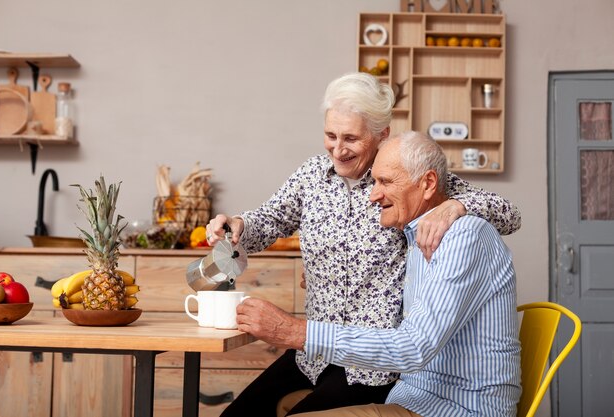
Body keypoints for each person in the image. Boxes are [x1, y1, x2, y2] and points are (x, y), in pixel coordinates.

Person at [206, 72, 521, 416]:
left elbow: (506, 213)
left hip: (372, 364)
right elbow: (271, 218)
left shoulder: (402, 176)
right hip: (312, 350)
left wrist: (456, 205)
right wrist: (238, 225)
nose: (337, 149)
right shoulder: (313, 176)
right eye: (330, 135)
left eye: (351, 138)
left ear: (380, 135)